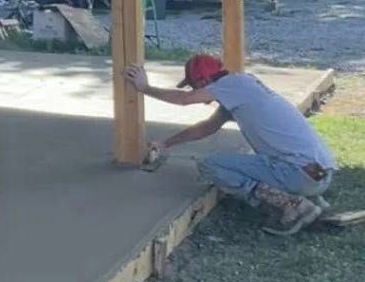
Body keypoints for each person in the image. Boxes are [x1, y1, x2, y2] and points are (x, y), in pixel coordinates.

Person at [124, 52, 336, 236]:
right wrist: (165, 144)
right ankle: (309, 199)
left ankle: (293, 205)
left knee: (211, 164)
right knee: (248, 162)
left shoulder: (231, 85)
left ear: (204, 80)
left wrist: (144, 87)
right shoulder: (240, 88)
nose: (194, 91)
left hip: (298, 173)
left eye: (194, 85)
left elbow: (184, 99)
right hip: (318, 174)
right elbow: (206, 128)